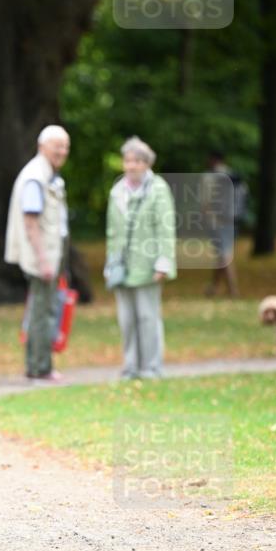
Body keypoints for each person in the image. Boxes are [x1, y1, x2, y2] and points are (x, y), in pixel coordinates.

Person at [104, 136, 176, 379]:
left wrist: (163, 262)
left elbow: (165, 228)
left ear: (147, 163)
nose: (131, 165)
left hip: (148, 264)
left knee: (147, 316)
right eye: (127, 160)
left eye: (136, 161)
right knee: (126, 319)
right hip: (122, 266)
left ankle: (151, 367)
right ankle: (130, 367)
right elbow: (112, 232)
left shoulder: (158, 189)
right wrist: (110, 263)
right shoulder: (117, 191)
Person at [4, 125, 70, 381]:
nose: (62, 151)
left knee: (43, 309)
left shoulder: (46, 174)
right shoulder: (35, 177)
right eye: (57, 146)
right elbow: (31, 222)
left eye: (65, 146)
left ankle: (36, 366)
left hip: (49, 253)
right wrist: (44, 260)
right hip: (43, 256)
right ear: (42, 146)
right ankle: (40, 368)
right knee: (43, 312)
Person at [201, 150, 241, 298]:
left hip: (216, 220)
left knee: (225, 254)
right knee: (222, 253)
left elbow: (205, 202)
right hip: (232, 219)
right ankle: (214, 287)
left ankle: (233, 290)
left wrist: (204, 219)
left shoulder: (209, 177)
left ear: (212, 159)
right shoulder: (233, 175)